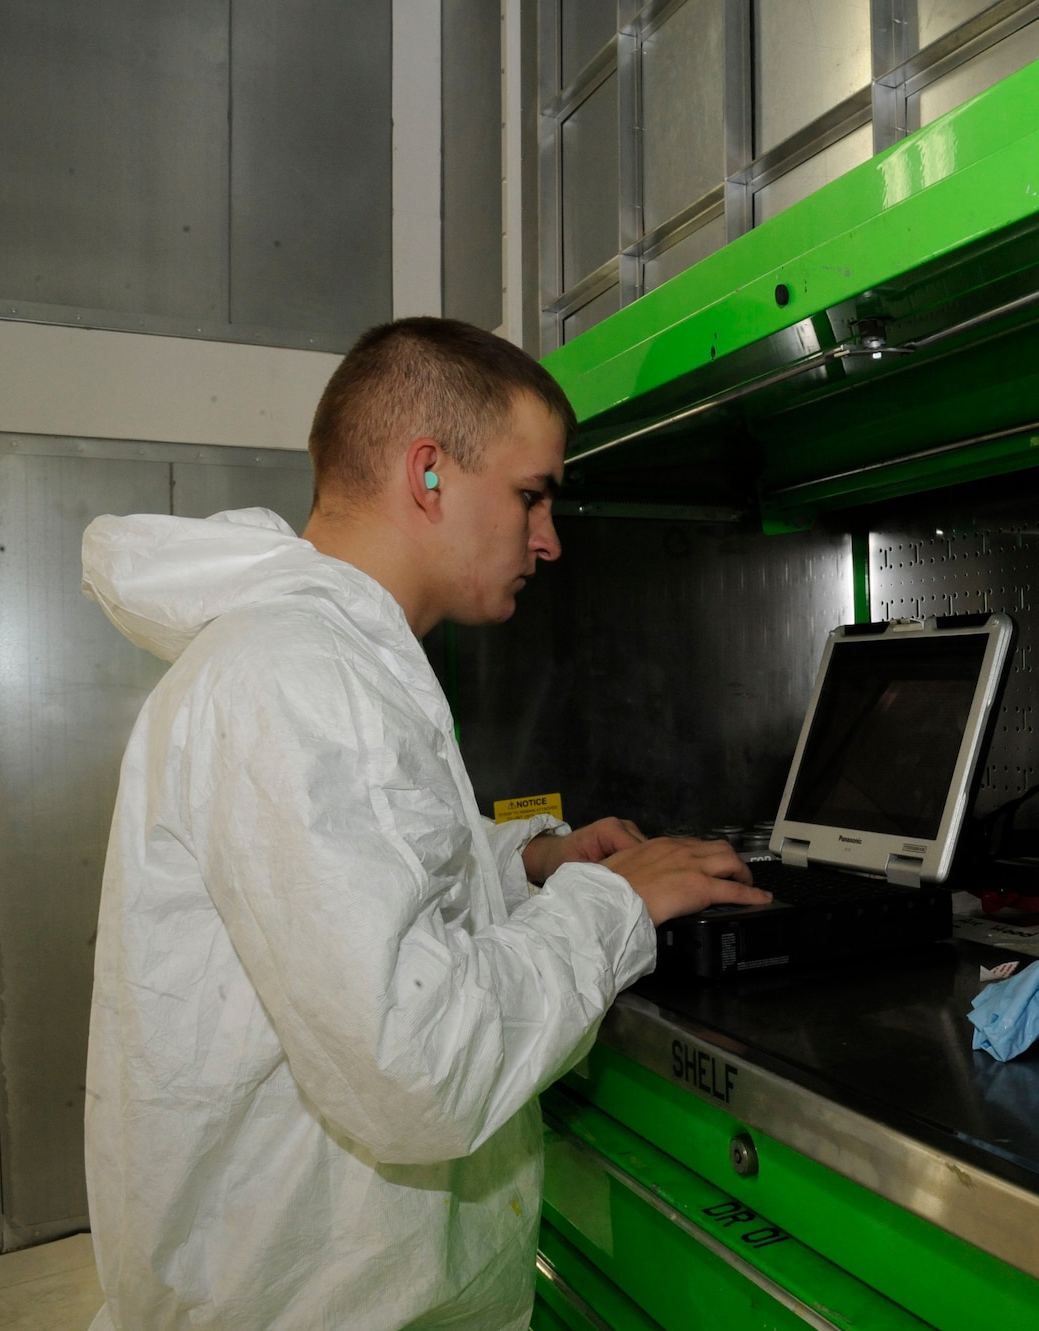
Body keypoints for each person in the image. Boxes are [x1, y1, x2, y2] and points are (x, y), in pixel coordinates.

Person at [78, 317, 767, 1330]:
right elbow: (417, 1063)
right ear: (429, 472)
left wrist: (526, 862)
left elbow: (359, 883)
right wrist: (609, 902)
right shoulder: (299, 678)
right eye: (532, 494)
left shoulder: (325, 660)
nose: (550, 538)